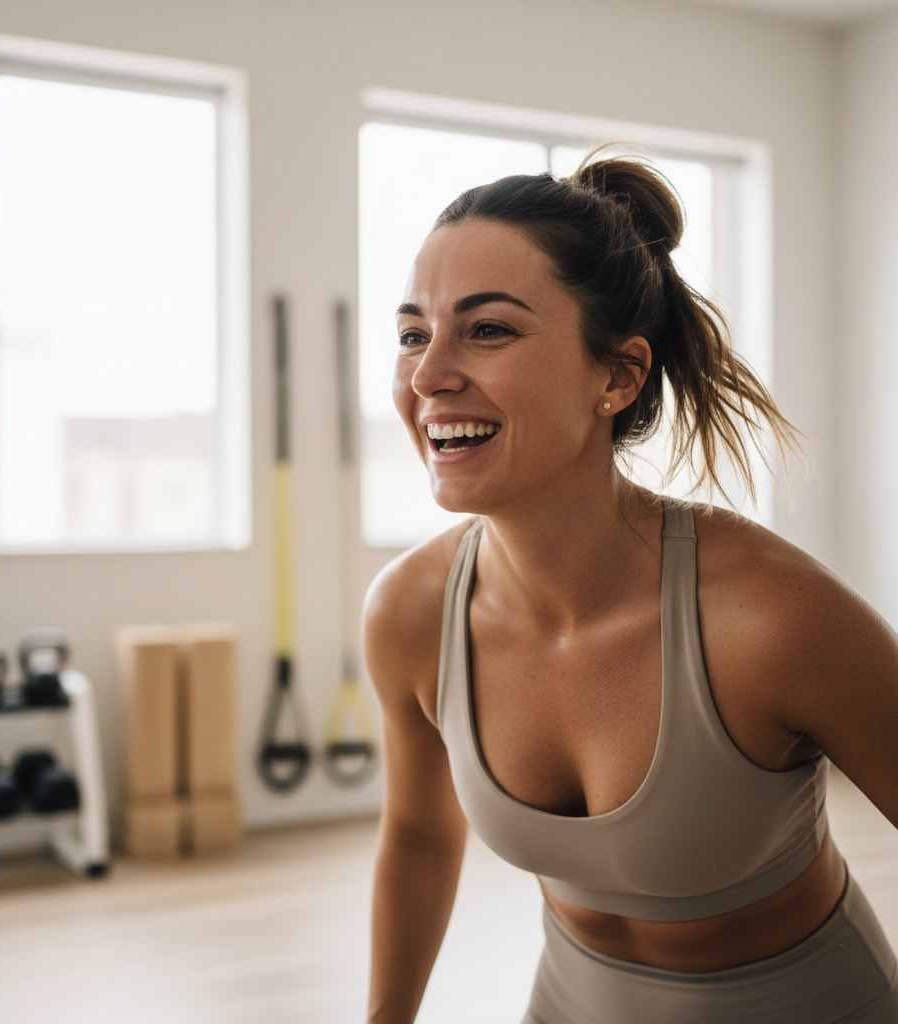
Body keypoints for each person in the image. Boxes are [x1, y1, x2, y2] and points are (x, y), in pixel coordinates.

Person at [362, 144, 898, 1023]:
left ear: (617, 375)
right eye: (414, 333)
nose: (427, 376)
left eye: (487, 329)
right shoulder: (412, 613)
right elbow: (419, 840)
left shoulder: (768, 615)